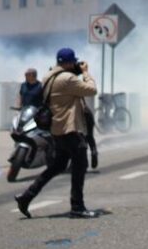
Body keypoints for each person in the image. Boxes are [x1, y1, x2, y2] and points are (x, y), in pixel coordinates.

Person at [15, 48, 98, 219]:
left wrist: (75, 72)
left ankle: (26, 196)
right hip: (69, 129)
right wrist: (86, 73)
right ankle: (77, 206)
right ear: (68, 62)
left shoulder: (48, 77)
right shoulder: (68, 78)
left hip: (56, 129)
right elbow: (91, 89)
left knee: (57, 166)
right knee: (80, 165)